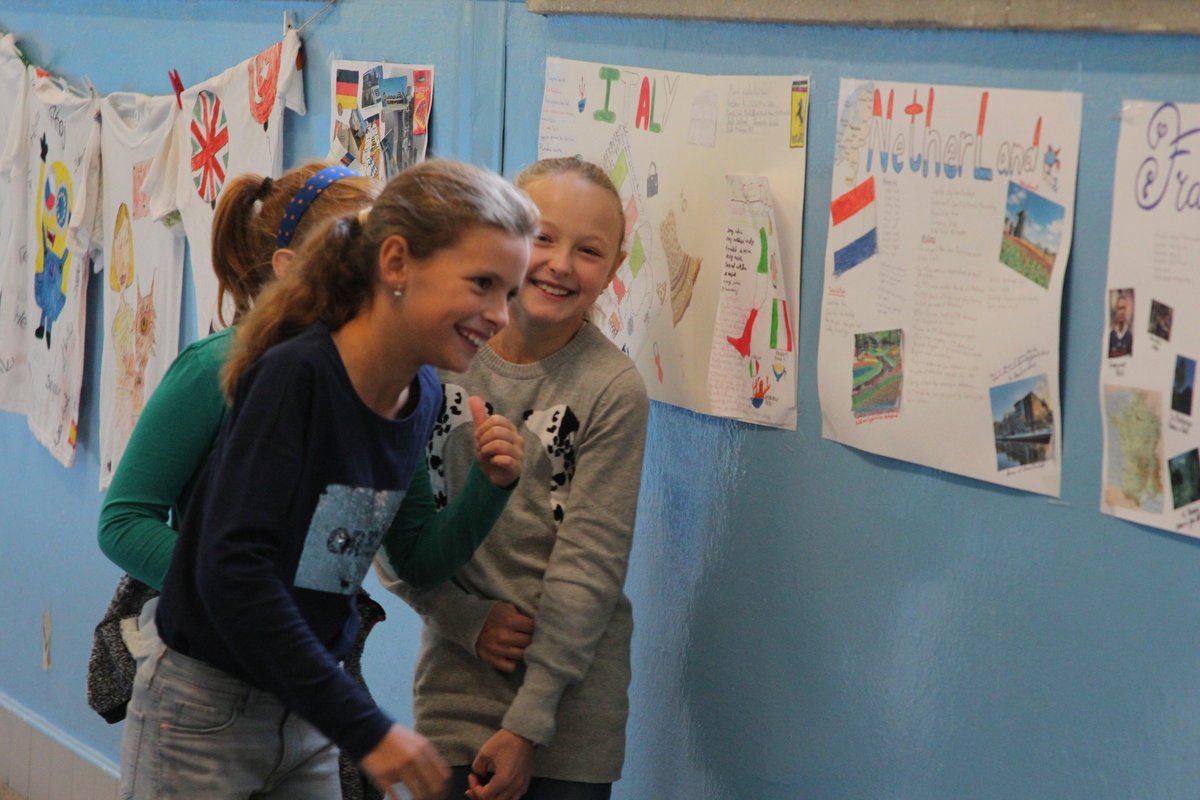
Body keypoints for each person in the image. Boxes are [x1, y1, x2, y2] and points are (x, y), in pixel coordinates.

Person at [117, 159, 539, 800]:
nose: (501, 315)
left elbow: (404, 558)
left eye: (508, 293)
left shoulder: (422, 392)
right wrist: (365, 726)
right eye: (483, 283)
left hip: (307, 711)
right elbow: (232, 570)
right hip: (204, 713)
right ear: (396, 263)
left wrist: (490, 487)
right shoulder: (296, 377)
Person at [94, 162, 392, 800]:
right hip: (205, 688)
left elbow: (405, 549)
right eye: (368, 255)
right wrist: (234, 586)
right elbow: (123, 521)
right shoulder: (215, 370)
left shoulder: (387, 384)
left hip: (307, 693)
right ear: (291, 268)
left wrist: (492, 487)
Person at [378, 156, 649, 800]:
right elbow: (385, 527)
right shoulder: (435, 360)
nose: (561, 265)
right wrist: (463, 618)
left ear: (614, 268)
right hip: (454, 692)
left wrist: (528, 726)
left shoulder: (613, 388)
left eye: (589, 251)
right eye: (542, 238)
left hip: (568, 713)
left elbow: (590, 565)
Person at [1108, 290, 1133, 358]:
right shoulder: (1110, 336)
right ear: (1116, 311)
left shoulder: (1130, 337)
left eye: (1124, 308)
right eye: (1119, 308)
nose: (1122, 312)